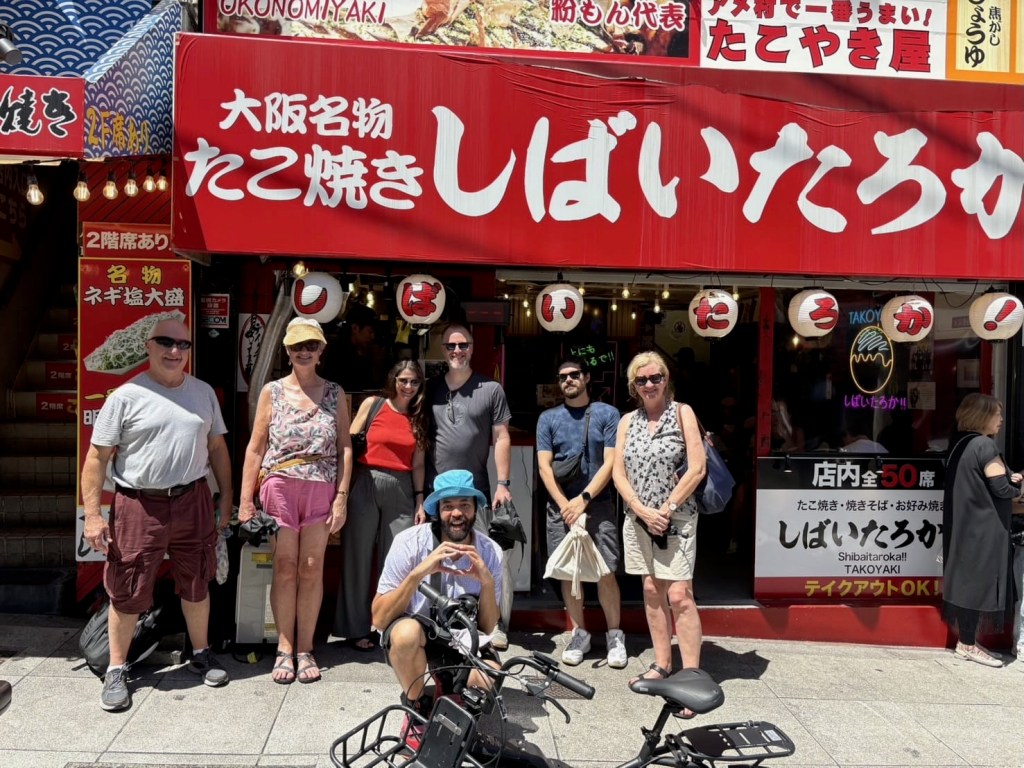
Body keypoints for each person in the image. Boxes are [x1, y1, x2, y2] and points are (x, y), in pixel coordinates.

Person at [81, 318, 234, 712]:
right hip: (138, 504)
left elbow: (217, 449)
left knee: (197, 578)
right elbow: (97, 458)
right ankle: (117, 669)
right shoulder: (126, 395)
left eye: (182, 344)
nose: (174, 351)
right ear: (149, 347)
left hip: (193, 499)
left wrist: (228, 496)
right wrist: (94, 515)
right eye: (166, 343)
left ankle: (200, 652)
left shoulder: (202, 393)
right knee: (128, 586)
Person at [238, 317, 351, 684]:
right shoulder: (272, 391)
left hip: (321, 485)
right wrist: (245, 500)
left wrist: (342, 497)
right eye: (297, 346)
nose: (305, 351)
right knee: (284, 566)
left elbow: (345, 447)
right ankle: (284, 648)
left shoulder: (336, 392)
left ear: (322, 350)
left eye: (311, 345)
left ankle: (306, 648)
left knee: (312, 566)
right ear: (287, 351)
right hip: (279, 484)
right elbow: (256, 447)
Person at [612, 351, 706, 705]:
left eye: (656, 377)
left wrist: (665, 510)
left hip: (676, 518)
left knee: (680, 594)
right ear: (633, 386)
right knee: (651, 590)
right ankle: (663, 664)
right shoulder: (627, 421)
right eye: (642, 380)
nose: (649, 384)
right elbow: (618, 471)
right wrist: (639, 509)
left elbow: (697, 468)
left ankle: (691, 675)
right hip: (638, 519)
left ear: (667, 379)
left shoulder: (683, 413)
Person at [371, 469, 503, 717]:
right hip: (416, 635)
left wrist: (486, 582)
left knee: (489, 679)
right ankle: (416, 702)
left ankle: (451, 689)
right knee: (405, 634)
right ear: (437, 510)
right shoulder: (408, 542)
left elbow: (486, 627)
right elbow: (378, 618)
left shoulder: (491, 552)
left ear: (475, 508)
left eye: (465, 504)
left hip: (462, 639)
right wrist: (417, 575)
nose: (456, 513)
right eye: (448, 506)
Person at [425, 323, 513, 649]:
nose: (457, 351)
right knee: (437, 557)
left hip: (475, 490)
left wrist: (503, 482)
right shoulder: (430, 388)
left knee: (486, 558)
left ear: (473, 348)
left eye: (463, 345)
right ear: (443, 349)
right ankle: (443, 620)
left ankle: (495, 624)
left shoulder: (490, 389)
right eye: (451, 346)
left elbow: (502, 436)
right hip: (437, 492)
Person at [536, 359, 626, 668]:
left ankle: (615, 635)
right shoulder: (548, 418)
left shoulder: (607, 413)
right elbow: (544, 467)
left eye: (575, 375)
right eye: (563, 377)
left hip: (598, 503)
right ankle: (579, 633)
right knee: (568, 570)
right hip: (560, 505)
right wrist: (565, 504)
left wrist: (583, 499)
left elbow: (611, 462)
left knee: (605, 569)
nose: (569, 380)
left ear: (587, 378)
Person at [334, 360, 428, 651]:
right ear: (393, 379)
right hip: (365, 481)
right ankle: (355, 628)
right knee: (357, 556)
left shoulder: (419, 417)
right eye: (403, 380)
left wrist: (420, 499)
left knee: (397, 561)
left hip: (401, 488)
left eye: (414, 382)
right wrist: (342, 490)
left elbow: (419, 463)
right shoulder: (373, 404)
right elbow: (347, 446)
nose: (408, 387)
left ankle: (392, 627)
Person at [942, 393, 1023, 667]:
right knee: (977, 586)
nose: (1001, 420)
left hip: (964, 526)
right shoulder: (985, 446)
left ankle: (966, 641)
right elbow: (1002, 489)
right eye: (997, 415)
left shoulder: (959, 444)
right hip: (984, 529)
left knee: (967, 584)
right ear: (983, 417)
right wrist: (1019, 485)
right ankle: (967, 644)